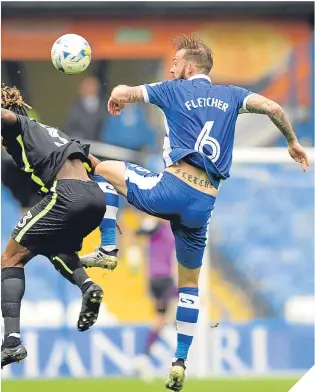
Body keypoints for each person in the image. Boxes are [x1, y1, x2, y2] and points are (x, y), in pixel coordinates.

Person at [80, 34, 309, 390]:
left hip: (170, 189)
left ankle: (109, 247)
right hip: (203, 205)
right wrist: (293, 143)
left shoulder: (171, 90)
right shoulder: (233, 95)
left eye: (174, 62)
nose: (171, 68)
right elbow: (276, 109)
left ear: (187, 66)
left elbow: (124, 92)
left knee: (101, 168)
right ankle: (180, 361)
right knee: (188, 286)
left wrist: (114, 96)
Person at [0, 86, 115, 368]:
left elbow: (6, 116)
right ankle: (87, 285)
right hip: (94, 198)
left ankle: (11, 342)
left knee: (10, 258)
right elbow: (98, 165)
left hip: (66, 194)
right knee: (53, 246)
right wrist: (113, 210)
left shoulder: (19, 125)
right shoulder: (54, 133)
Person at [133, 217, 176, 378]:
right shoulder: (163, 227)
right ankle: (150, 355)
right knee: (168, 316)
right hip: (164, 279)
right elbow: (142, 230)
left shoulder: (161, 227)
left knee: (160, 318)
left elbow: (141, 232)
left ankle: (145, 355)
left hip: (154, 279)